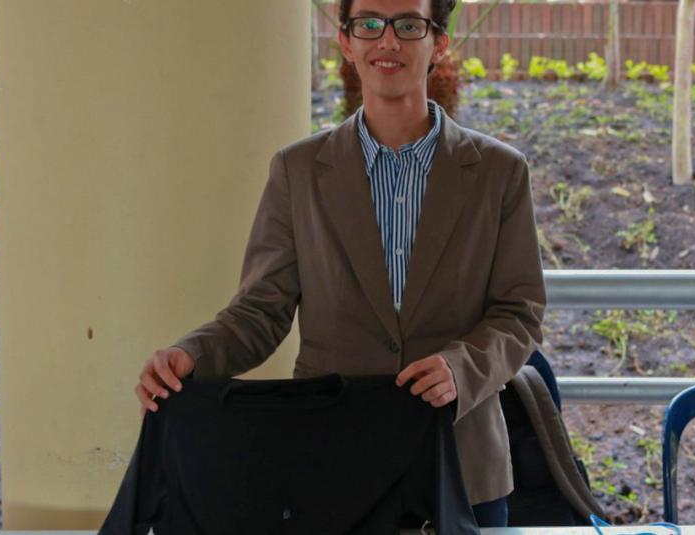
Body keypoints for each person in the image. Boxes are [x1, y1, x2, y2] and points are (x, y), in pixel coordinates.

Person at [133, 0, 545, 527]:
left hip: (462, 461)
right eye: (368, 24)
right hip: (331, 464)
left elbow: (519, 311)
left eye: (409, 25)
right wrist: (192, 355)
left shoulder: (499, 172)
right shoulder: (298, 171)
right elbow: (259, 312)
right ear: (347, 43)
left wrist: (461, 370)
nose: (388, 41)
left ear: (438, 43)